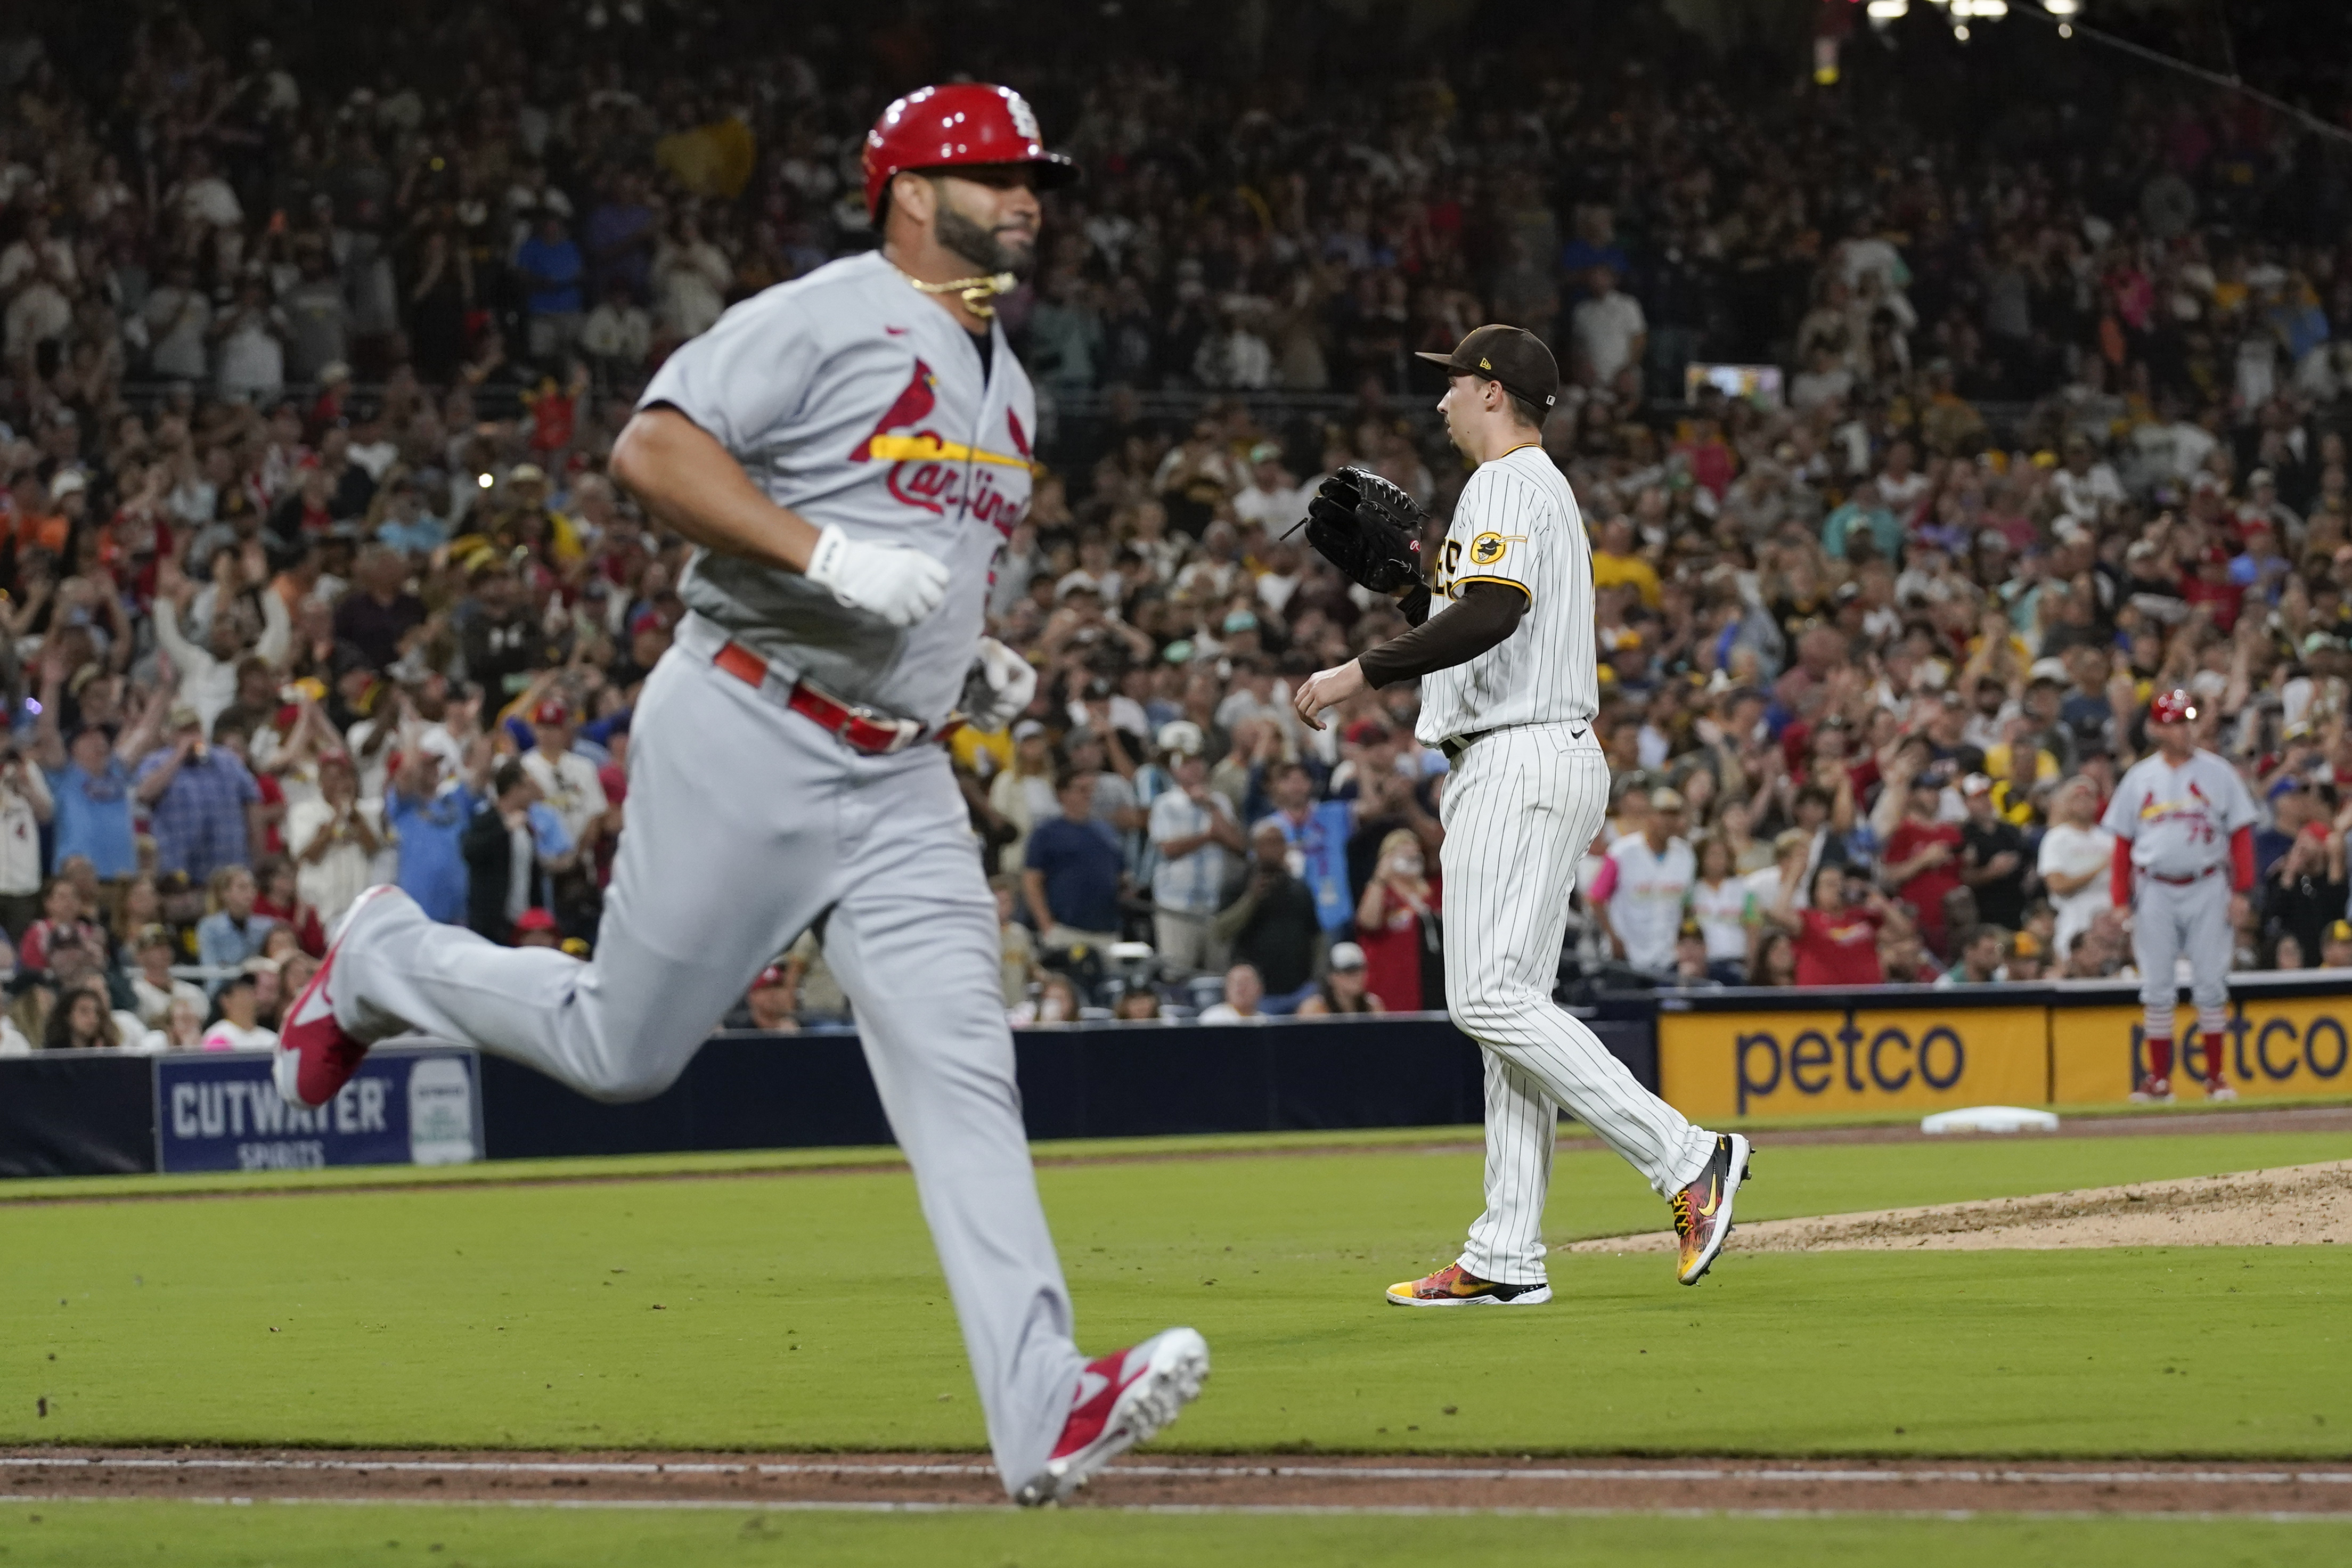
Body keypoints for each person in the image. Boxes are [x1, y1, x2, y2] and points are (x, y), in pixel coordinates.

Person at [269, 83, 1202, 1508]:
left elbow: (925, 559)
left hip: (898, 773)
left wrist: (972, 660)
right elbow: (652, 448)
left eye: (1034, 177)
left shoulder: (1007, 380)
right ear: (905, 191)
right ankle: (387, 959)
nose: (1026, 197)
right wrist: (825, 558)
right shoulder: (828, 311)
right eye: (993, 173)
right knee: (620, 1053)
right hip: (748, 721)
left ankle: (1041, 1407)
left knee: (965, 1078)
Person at [1292, 322, 1746, 1303]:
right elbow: (1484, 623)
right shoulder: (1528, 491)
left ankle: (1687, 1155)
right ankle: (1505, 1250)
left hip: (1519, 757)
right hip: (1535, 750)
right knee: (1512, 1012)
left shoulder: (1505, 482)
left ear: (1493, 391)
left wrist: (1355, 673)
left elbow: (1494, 613)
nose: (1442, 399)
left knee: (1487, 999)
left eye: (1453, 383)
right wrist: (1416, 589)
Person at [2103, 689, 2258, 1102]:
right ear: (2155, 728)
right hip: (2154, 886)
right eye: (2174, 722)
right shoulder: (2140, 777)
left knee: (2210, 984)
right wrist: (2120, 899)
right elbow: (2122, 845)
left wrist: (2242, 890)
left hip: (2208, 882)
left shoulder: (2219, 772)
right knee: (2157, 987)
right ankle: (2159, 1080)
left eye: (2187, 721)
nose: (2184, 730)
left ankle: (2216, 1077)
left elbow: (2241, 834)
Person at [1145, 728, 1244, 971]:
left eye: (1197, 761)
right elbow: (1169, 848)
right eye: (1186, 763)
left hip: (1214, 906)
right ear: (1175, 769)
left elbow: (1239, 845)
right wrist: (1208, 837)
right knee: (1177, 975)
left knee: (1216, 976)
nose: (1194, 768)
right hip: (1175, 907)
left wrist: (1210, 807)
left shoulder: (1219, 801)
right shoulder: (1165, 804)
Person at [137, 705, 264, 884]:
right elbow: (145, 794)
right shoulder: (157, 762)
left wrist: (258, 855)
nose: (192, 736)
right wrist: (180, 754)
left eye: (195, 730)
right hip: (178, 872)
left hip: (227, 870)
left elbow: (252, 803)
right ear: (169, 735)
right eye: (183, 731)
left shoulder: (227, 761)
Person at [1589, 786, 1696, 975]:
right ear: (1649, 816)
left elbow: (1687, 903)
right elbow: (1596, 897)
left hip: (1667, 954)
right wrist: (1613, 938)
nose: (1669, 822)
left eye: (1674, 815)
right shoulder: (1622, 852)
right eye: (1663, 815)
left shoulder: (1685, 855)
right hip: (1627, 953)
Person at [1213, 822, 1323, 1000]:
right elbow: (1220, 931)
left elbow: (1316, 936)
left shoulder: (1299, 888)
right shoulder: (1237, 885)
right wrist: (1251, 899)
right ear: (1255, 847)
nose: (1274, 849)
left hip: (1298, 990)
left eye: (1279, 843)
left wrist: (1316, 978)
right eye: (1267, 843)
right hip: (1254, 996)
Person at [1023, 770, 1126, 951]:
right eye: (1082, 789)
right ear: (1063, 794)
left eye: (1091, 790)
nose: (1088, 795)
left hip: (1107, 931)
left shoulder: (1106, 832)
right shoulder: (1046, 833)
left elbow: (1120, 875)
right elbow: (1032, 881)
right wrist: (1047, 927)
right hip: (1066, 930)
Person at [287, 752, 385, 928]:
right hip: (320, 909)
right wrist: (336, 819)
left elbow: (373, 849)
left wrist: (354, 815)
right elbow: (309, 855)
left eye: (346, 776)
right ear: (321, 782)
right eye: (333, 778)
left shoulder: (368, 811)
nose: (341, 784)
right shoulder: (303, 812)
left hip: (359, 907)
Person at [1767, 860, 1892, 988]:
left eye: (1841, 883)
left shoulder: (1863, 917)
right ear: (1816, 892)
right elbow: (1779, 914)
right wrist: (1794, 877)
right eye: (1830, 884)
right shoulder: (1807, 919)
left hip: (1867, 1001)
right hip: (1821, 1003)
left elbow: (1904, 932)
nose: (1837, 888)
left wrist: (1883, 904)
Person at [1354, 827, 1436, 1014]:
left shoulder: (1429, 894)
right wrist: (1380, 877)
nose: (1412, 859)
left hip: (1423, 982)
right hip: (1387, 982)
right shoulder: (1381, 892)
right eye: (1404, 854)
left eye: (1416, 854)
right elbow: (1368, 923)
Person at [2037, 777, 2116, 960]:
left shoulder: (2108, 839)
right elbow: (2057, 884)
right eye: (2077, 799)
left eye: (2089, 798)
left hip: (2109, 920)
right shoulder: (2057, 838)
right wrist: (2100, 868)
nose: (2084, 804)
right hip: (2074, 918)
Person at [1956, 774, 2027, 933]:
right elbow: (1961, 876)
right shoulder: (1963, 835)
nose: (1985, 802)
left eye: (1987, 796)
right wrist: (1991, 872)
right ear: (1966, 803)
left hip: (2017, 908)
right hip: (1984, 913)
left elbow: (2026, 860)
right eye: (1978, 798)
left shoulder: (2010, 831)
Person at [195, 865, 280, 986]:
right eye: (243, 888)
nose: (250, 893)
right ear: (225, 894)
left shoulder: (267, 926)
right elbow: (212, 971)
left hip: (261, 990)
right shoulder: (209, 928)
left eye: (253, 887)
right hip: (224, 991)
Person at [1685, 834, 1752, 986]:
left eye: (1722, 855)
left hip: (1736, 959)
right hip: (1704, 964)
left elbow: (1753, 928)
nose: (1717, 860)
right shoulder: (1692, 891)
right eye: (1712, 855)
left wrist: (1751, 964)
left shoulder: (1744, 889)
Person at [1295, 940, 1385, 1015]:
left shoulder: (1373, 1007)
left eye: (1361, 970)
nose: (1357, 977)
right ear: (1332, 977)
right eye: (1349, 972)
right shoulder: (1314, 1010)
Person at [201, 970, 277, 1051]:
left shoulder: (272, 1038)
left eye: (251, 990)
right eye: (242, 992)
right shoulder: (219, 1035)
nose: (249, 995)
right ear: (225, 1001)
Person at [1937, 923, 2008, 987]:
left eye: (1997, 951)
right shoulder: (1947, 986)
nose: (1995, 957)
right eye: (1989, 952)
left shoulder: (2002, 980)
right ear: (1969, 951)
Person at [1196, 962, 1265, 1023]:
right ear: (1226, 989)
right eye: (1237, 984)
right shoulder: (1210, 1019)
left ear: (1259, 988)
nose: (1241, 989)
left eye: (1246, 983)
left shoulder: (1266, 1022)